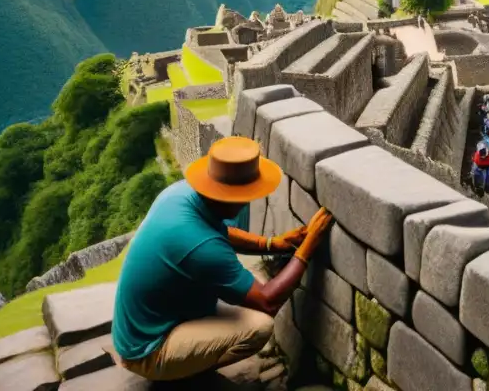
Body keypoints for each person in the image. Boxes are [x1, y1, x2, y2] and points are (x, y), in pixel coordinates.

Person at [113, 137, 333, 382]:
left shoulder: (181, 194)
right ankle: (186, 374)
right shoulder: (203, 248)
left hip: (144, 324)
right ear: (232, 198)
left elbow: (218, 231)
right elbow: (268, 301)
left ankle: (192, 357)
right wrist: (308, 246)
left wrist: (270, 244)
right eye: (247, 194)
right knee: (259, 327)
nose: (249, 200)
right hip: (147, 350)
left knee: (246, 284)